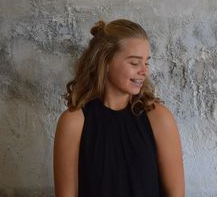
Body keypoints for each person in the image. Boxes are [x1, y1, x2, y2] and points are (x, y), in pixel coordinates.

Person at [53, 19, 185, 197]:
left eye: (146, 62)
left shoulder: (159, 118)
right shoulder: (74, 123)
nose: (144, 71)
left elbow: (175, 194)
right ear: (106, 62)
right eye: (134, 63)